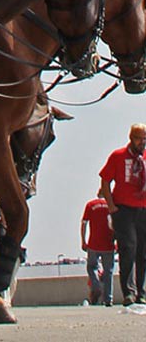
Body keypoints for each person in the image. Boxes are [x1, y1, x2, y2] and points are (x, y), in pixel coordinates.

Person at [101, 123, 146, 305]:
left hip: (143, 209)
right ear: (131, 138)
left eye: (145, 139)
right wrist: (111, 206)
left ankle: (141, 292)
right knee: (128, 248)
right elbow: (105, 181)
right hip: (124, 209)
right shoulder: (118, 156)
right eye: (139, 138)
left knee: (142, 252)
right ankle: (128, 292)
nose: (142, 143)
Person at [84, 194, 116, 306]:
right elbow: (116, 224)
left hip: (93, 243)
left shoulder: (91, 205)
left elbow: (84, 223)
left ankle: (96, 285)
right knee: (109, 271)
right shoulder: (112, 205)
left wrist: (83, 240)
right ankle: (108, 299)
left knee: (92, 267)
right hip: (108, 244)